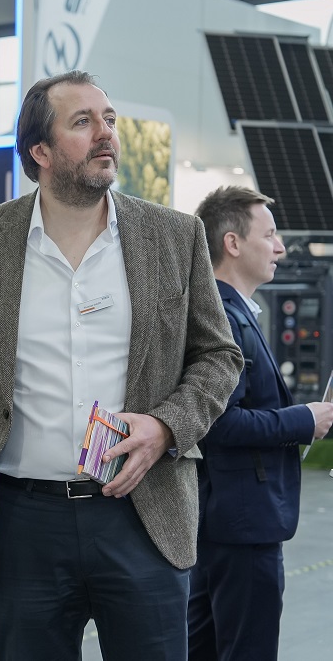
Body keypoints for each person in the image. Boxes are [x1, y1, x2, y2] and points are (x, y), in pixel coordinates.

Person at [0, 69, 243, 660]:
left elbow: (219, 355)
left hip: (144, 512)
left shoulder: (174, 236)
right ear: (41, 152)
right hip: (23, 522)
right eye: (83, 122)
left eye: (109, 119)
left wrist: (166, 427)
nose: (106, 133)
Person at [187, 186, 333, 661]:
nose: (281, 247)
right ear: (232, 243)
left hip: (222, 519)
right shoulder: (225, 319)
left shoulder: (229, 312)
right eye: (269, 235)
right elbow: (219, 423)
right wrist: (301, 419)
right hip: (242, 523)